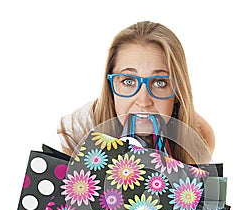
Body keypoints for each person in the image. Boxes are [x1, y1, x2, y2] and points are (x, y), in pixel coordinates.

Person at [58, 21, 215, 164]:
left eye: (160, 83)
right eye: (128, 81)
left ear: (178, 92)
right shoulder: (78, 131)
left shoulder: (199, 136)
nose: (143, 101)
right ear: (110, 86)